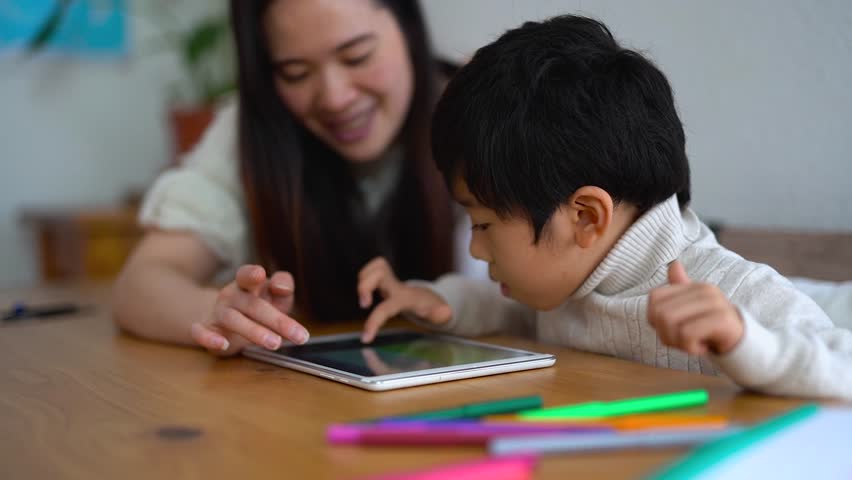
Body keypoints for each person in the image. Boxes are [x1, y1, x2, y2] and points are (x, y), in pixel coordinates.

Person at [356, 14, 852, 399]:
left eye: (482, 223)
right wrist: (440, 302)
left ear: (586, 217)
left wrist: (747, 344)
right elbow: (514, 313)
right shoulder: (572, 276)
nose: (476, 248)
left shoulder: (732, 291)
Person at [112, 0, 482, 355]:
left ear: (408, 28)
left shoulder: (479, 112)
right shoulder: (247, 136)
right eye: (296, 73)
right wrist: (220, 314)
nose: (334, 98)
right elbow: (142, 283)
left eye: (357, 56)